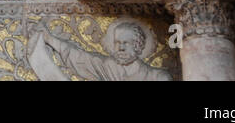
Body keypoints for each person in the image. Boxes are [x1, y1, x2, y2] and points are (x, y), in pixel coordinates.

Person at [29, 18, 170, 81]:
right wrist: (48, 38)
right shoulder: (108, 66)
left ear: (138, 45)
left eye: (125, 43)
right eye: (117, 43)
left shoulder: (158, 77)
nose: (120, 48)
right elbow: (79, 58)